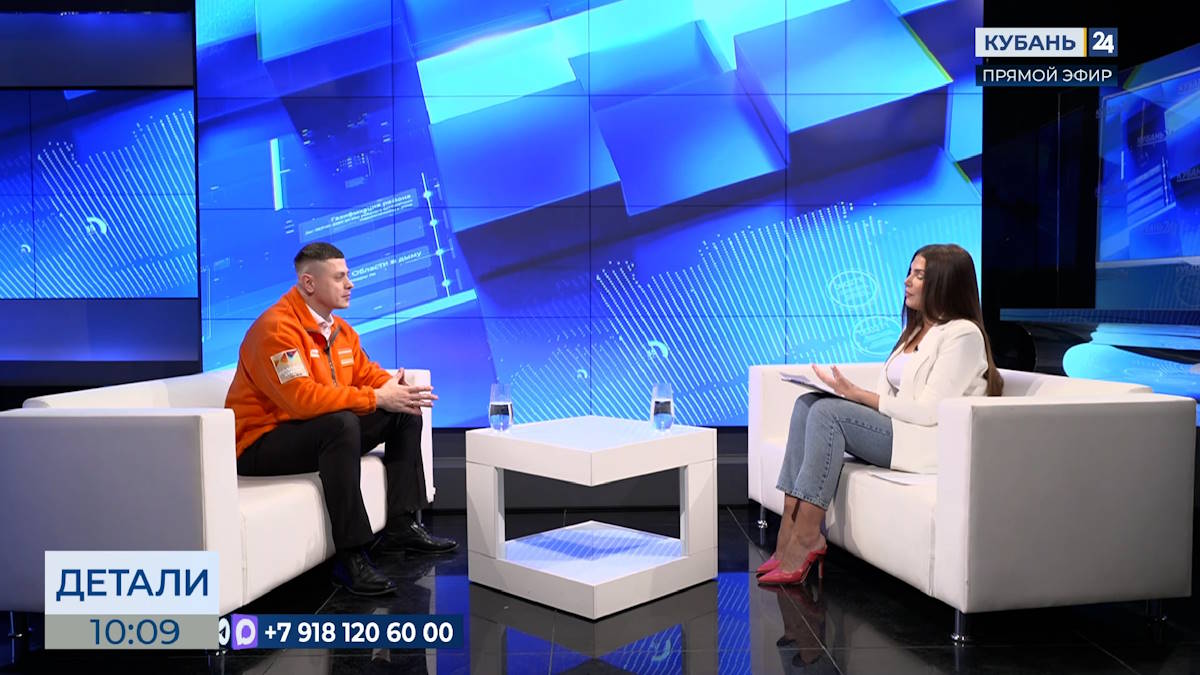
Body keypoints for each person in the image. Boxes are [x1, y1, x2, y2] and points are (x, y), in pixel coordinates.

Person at [758, 243, 1003, 586]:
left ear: (945, 283)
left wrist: (858, 396)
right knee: (807, 404)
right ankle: (788, 528)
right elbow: (891, 394)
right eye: (910, 272)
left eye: (919, 275)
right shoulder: (916, 329)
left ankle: (808, 536)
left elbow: (929, 411)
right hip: (898, 430)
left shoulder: (963, 334)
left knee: (826, 413)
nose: (907, 281)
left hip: (925, 444)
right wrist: (851, 396)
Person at [225, 242, 457, 597]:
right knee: (341, 424)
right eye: (339, 277)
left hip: (308, 431)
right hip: (260, 443)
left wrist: (391, 389)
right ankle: (351, 558)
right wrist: (375, 397)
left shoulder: (340, 331)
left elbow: (366, 373)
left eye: (348, 275)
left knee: (403, 412)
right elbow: (301, 400)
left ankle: (401, 525)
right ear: (309, 283)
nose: (350, 284)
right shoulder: (275, 329)